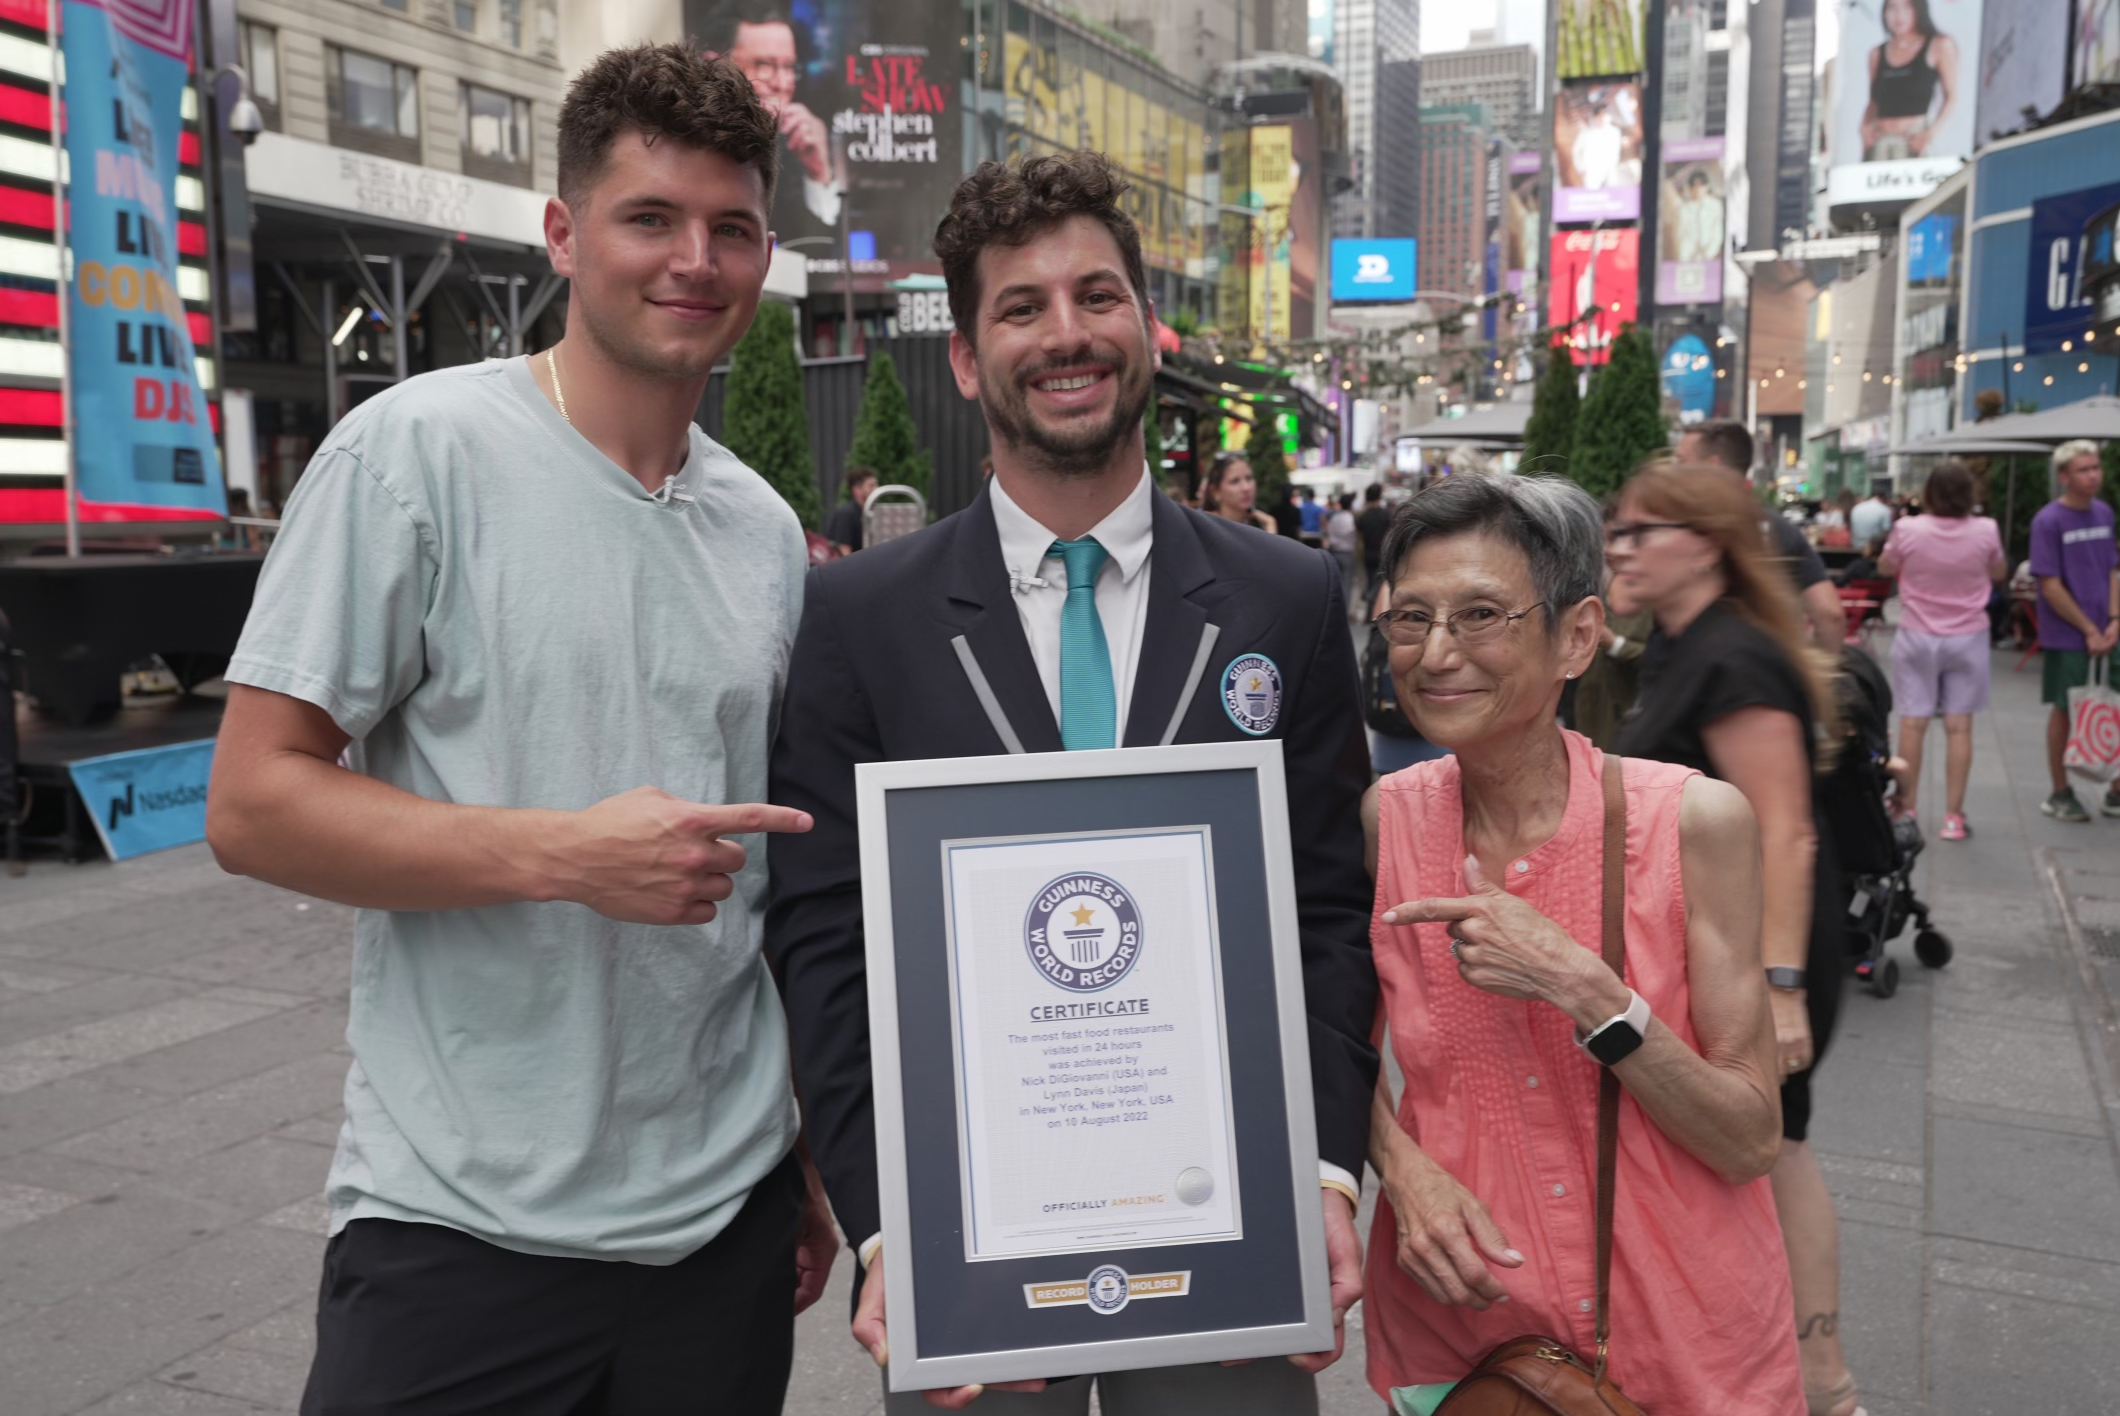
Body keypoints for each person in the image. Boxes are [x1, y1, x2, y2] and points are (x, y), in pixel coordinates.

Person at [205, 44, 835, 1415]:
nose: (694, 260)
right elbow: (252, 804)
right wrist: (561, 854)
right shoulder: (411, 458)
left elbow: (770, 881)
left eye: (730, 228)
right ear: (563, 233)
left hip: (717, 1234)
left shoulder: (767, 533)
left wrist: (792, 1152)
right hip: (456, 1232)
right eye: (650, 218)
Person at [767, 151, 1376, 1413]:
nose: (1066, 335)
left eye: (1095, 296)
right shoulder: (860, 619)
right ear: (964, 354)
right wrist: (890, 1230)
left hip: (1228, 1228)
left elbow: (1325, 906)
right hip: (971, 1239)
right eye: (1021, 306)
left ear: (1143, 326)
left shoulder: (1289, 596)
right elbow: (827, 941)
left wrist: (1321, 1170)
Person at [1361, 473, 1801, 1414]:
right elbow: (1332, 1048)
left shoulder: (1691, 823)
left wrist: (1588, 991)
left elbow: (1752, 1135)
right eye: (1410, 619)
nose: (1437, 654)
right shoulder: (1388, 819)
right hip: (1467, 1319)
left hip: (1679, 1327)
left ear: (1576, 635)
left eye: (1481, 614)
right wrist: (1401, 1173)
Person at [1606, 464, 1861, 1416]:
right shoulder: (1677, 644)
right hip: (1722, 944)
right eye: (1617, 529)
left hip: (1766, 951)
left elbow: (1787, 828)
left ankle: (1826, 1380)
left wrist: (1781, 987)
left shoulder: (1734, 657)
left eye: (1642, 532)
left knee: (1778, 1148)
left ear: (1705, 544)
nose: (1621, 548)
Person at [1878, 460, 2005, 840]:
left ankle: (1907, 807)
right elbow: (1998, 572)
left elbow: (1886, 566)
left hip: (1917, 634)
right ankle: (1953, 817)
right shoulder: (1986, 530)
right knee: (1959, 726)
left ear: (1930, 493)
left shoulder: (1908, 529)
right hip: (1967, 636)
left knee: (1912, 723)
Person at [1679, 420, 1849, 645]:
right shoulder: (1783, 531)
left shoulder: (1680, 533)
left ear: (1713, 466)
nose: (1674, 472)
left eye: (1682, 463)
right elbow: (1829, 615)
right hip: (1771, 666)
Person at [2029, 439, 2119, 822]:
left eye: (2096, 467)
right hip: (2067, 633)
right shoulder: (2048, 521)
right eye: (2084, 469)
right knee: (2066, 709)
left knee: (2112, 705)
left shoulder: (2103, 513)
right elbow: (2050, 584)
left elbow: (2113, 569)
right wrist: (2087, 628)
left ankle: (2115, 789)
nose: (2093, 474)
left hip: (2107, 629)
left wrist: (2114, 620)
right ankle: (2060, 791)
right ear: (2064, 476)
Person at [698, 0, 844, 236]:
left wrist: (818, 172)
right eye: (764, 65)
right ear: (714, 66)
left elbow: (820, 249)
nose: (781, 83)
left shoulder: (795, 144)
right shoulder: (682, 142)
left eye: (788, 68)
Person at [1859, 0, 1960, 161]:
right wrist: (1864, 128)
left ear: (1919, 9)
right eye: (1892, 7)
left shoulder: (1939, 45)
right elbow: (1873, 101)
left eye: (1907, 6)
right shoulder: (1876, 54)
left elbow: (1951, 97)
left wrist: (1931, 133)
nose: (1899, 15)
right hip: (1880, 145)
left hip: (1914, 141)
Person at [1200, 450, 1277, 530]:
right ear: (1215, 492)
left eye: (1249, 478)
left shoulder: (1260, 524)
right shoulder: (1204, 526)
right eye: (1235, 481)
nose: (1246, 488)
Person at [824, 465, 878, 554]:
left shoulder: (869, 513)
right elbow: (844, 551)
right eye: (871, 486)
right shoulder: (846, 514)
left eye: (876, 485)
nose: (876, 489)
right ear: (857, 489)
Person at [1356, 482, 1393, 600]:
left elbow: (1359, 539)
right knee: (1381, 585)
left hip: (1368, 554)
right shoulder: (1387, 515)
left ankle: (1369, 599)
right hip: (1383, 554)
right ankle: (1373, 603)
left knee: (1370, 580)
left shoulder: (1363, 517)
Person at [1325, 490, 1359, 604]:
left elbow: (1329, 533)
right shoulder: (1351, 519)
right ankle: (1345, 608)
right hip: (1347, 553)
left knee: (1335, 584)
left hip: (1334, 552)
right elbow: (1353, 534)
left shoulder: (1335, 518)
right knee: (1347, 583)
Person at [1850, 483, 1895, 550]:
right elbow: (1886, 532)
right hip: (1875, 549)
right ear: (1883, 498)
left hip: (1856, 546)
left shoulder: (1856, 508)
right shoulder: (1884, 509)